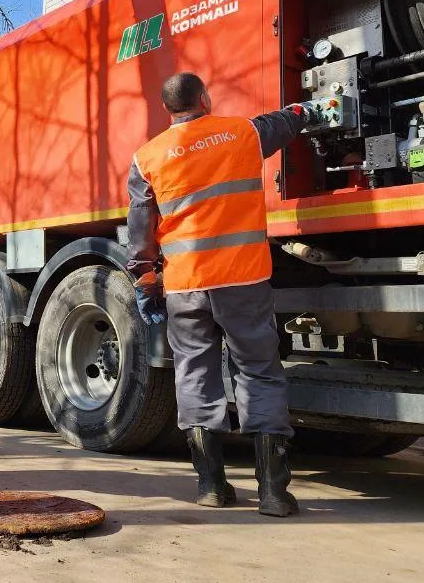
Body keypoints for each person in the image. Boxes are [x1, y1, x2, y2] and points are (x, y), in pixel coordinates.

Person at [126, 71, 325, 517]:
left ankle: (211, 486)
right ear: (204, 98)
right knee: (258, 372)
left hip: (185, 285)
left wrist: (145, 281)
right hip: (243, 279)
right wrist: (307, 110)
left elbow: (140, 231)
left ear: (167, 109)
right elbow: (285, 122)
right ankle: (273, 493)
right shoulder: (240, 133)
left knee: (194, 373)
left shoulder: (147, 157)